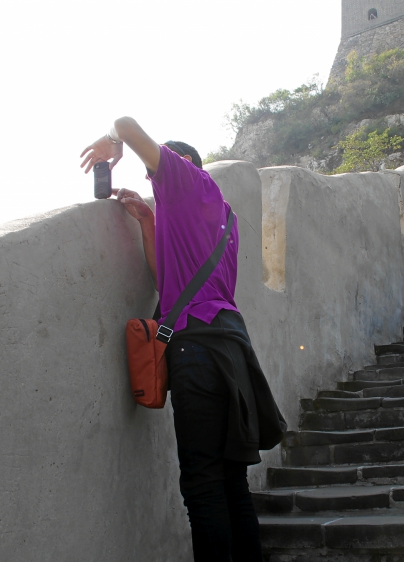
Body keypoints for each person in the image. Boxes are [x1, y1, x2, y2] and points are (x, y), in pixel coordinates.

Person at [79, 117, 286, 562]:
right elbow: (169, 285)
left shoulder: (188, 181)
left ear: (182, 163)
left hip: (199, 349)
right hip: (230, 345)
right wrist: (148, 222)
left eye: (156, 171)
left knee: (202, 482)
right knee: (230, 480)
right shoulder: (217, 213)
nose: (153, 179)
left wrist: (115, 143)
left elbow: (126, 124)